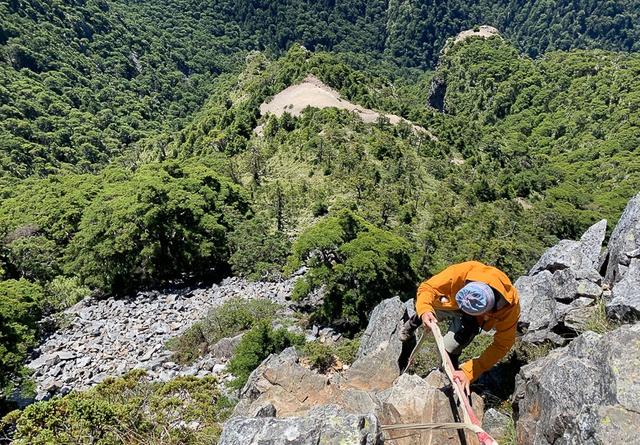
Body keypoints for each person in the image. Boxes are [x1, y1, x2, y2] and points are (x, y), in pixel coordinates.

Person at [400, 261, 520, 395]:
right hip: (450, 303)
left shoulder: (509, 309)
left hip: (474, 320)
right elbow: (428, 288)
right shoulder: (461, 272)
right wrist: (425, 310)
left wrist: (469, 372)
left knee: (449, 347)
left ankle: (453, 375)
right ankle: (413, 323)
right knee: (428, 305)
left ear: (488, 312)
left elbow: (502, 345)